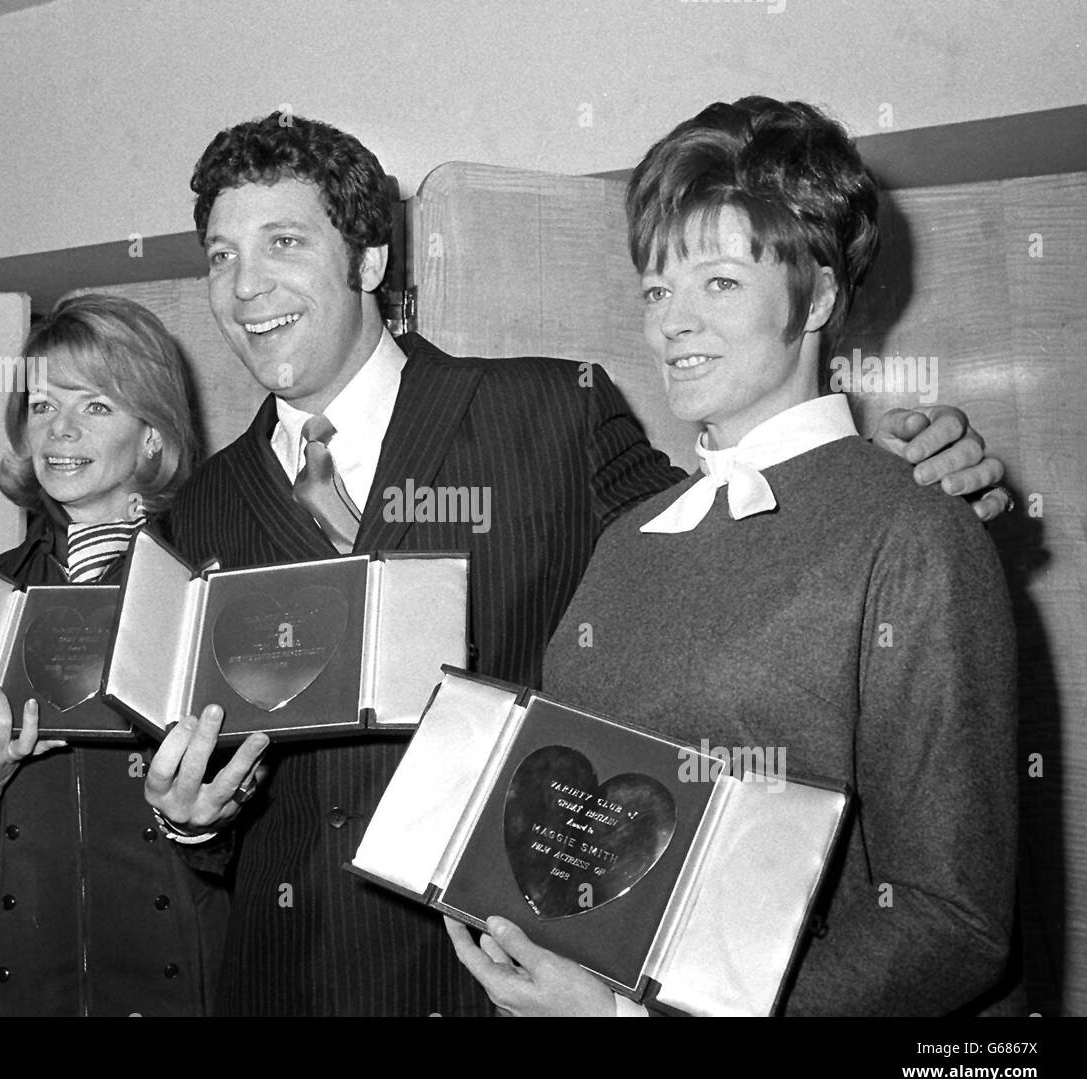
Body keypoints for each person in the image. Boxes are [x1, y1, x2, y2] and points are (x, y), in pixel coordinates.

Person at [145, 112, 1010, 1017]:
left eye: (282, 241)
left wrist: (922, 476)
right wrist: (190, 818)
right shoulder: (197, 509)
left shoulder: (554, 412)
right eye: (218, 255)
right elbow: (199, 796)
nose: (247, 286)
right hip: (286, 981)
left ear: (368, 263)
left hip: (507, 978)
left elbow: (765, 522)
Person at [445, 96, 1018, 1017]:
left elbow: (952, 926)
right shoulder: (628, 537)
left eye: (718, 283)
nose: (671, 322)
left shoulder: (917, 530)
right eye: (657, 289)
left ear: (821, 296)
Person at [0, 294, 262, 1016]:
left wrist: (202, 822)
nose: (60, 430)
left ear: (152, 434)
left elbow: (281, 837)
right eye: (41, 405)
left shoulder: (212, 590)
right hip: (11, 978)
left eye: (95, 406)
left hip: (182, 980)